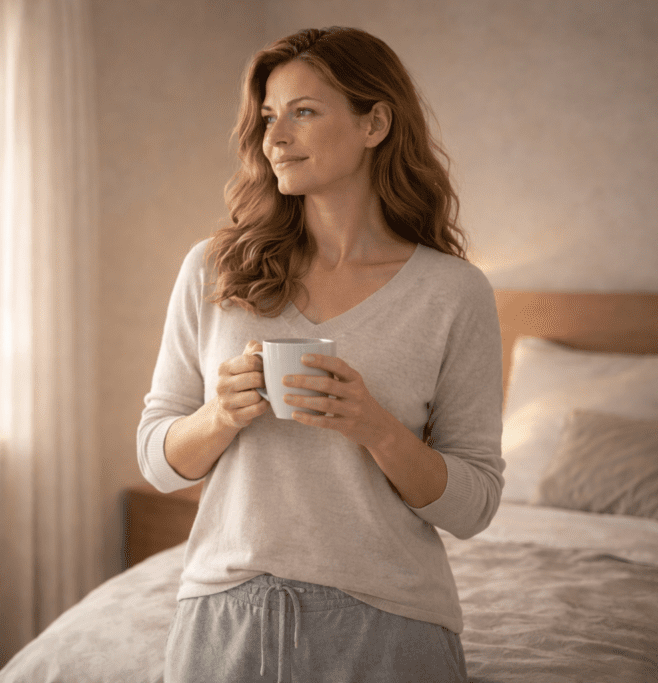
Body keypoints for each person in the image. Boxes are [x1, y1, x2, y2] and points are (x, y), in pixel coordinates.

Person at [136, 27, 504, 682]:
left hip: (390, 620)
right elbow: (158, 459)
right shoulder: (214, 270)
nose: (275, 137)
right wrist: (219, 415)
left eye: (304, 112)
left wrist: (378, 428)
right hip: (224, 615)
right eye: (270, 117)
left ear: (375, 122)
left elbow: (474, 504)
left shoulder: (454, 292)